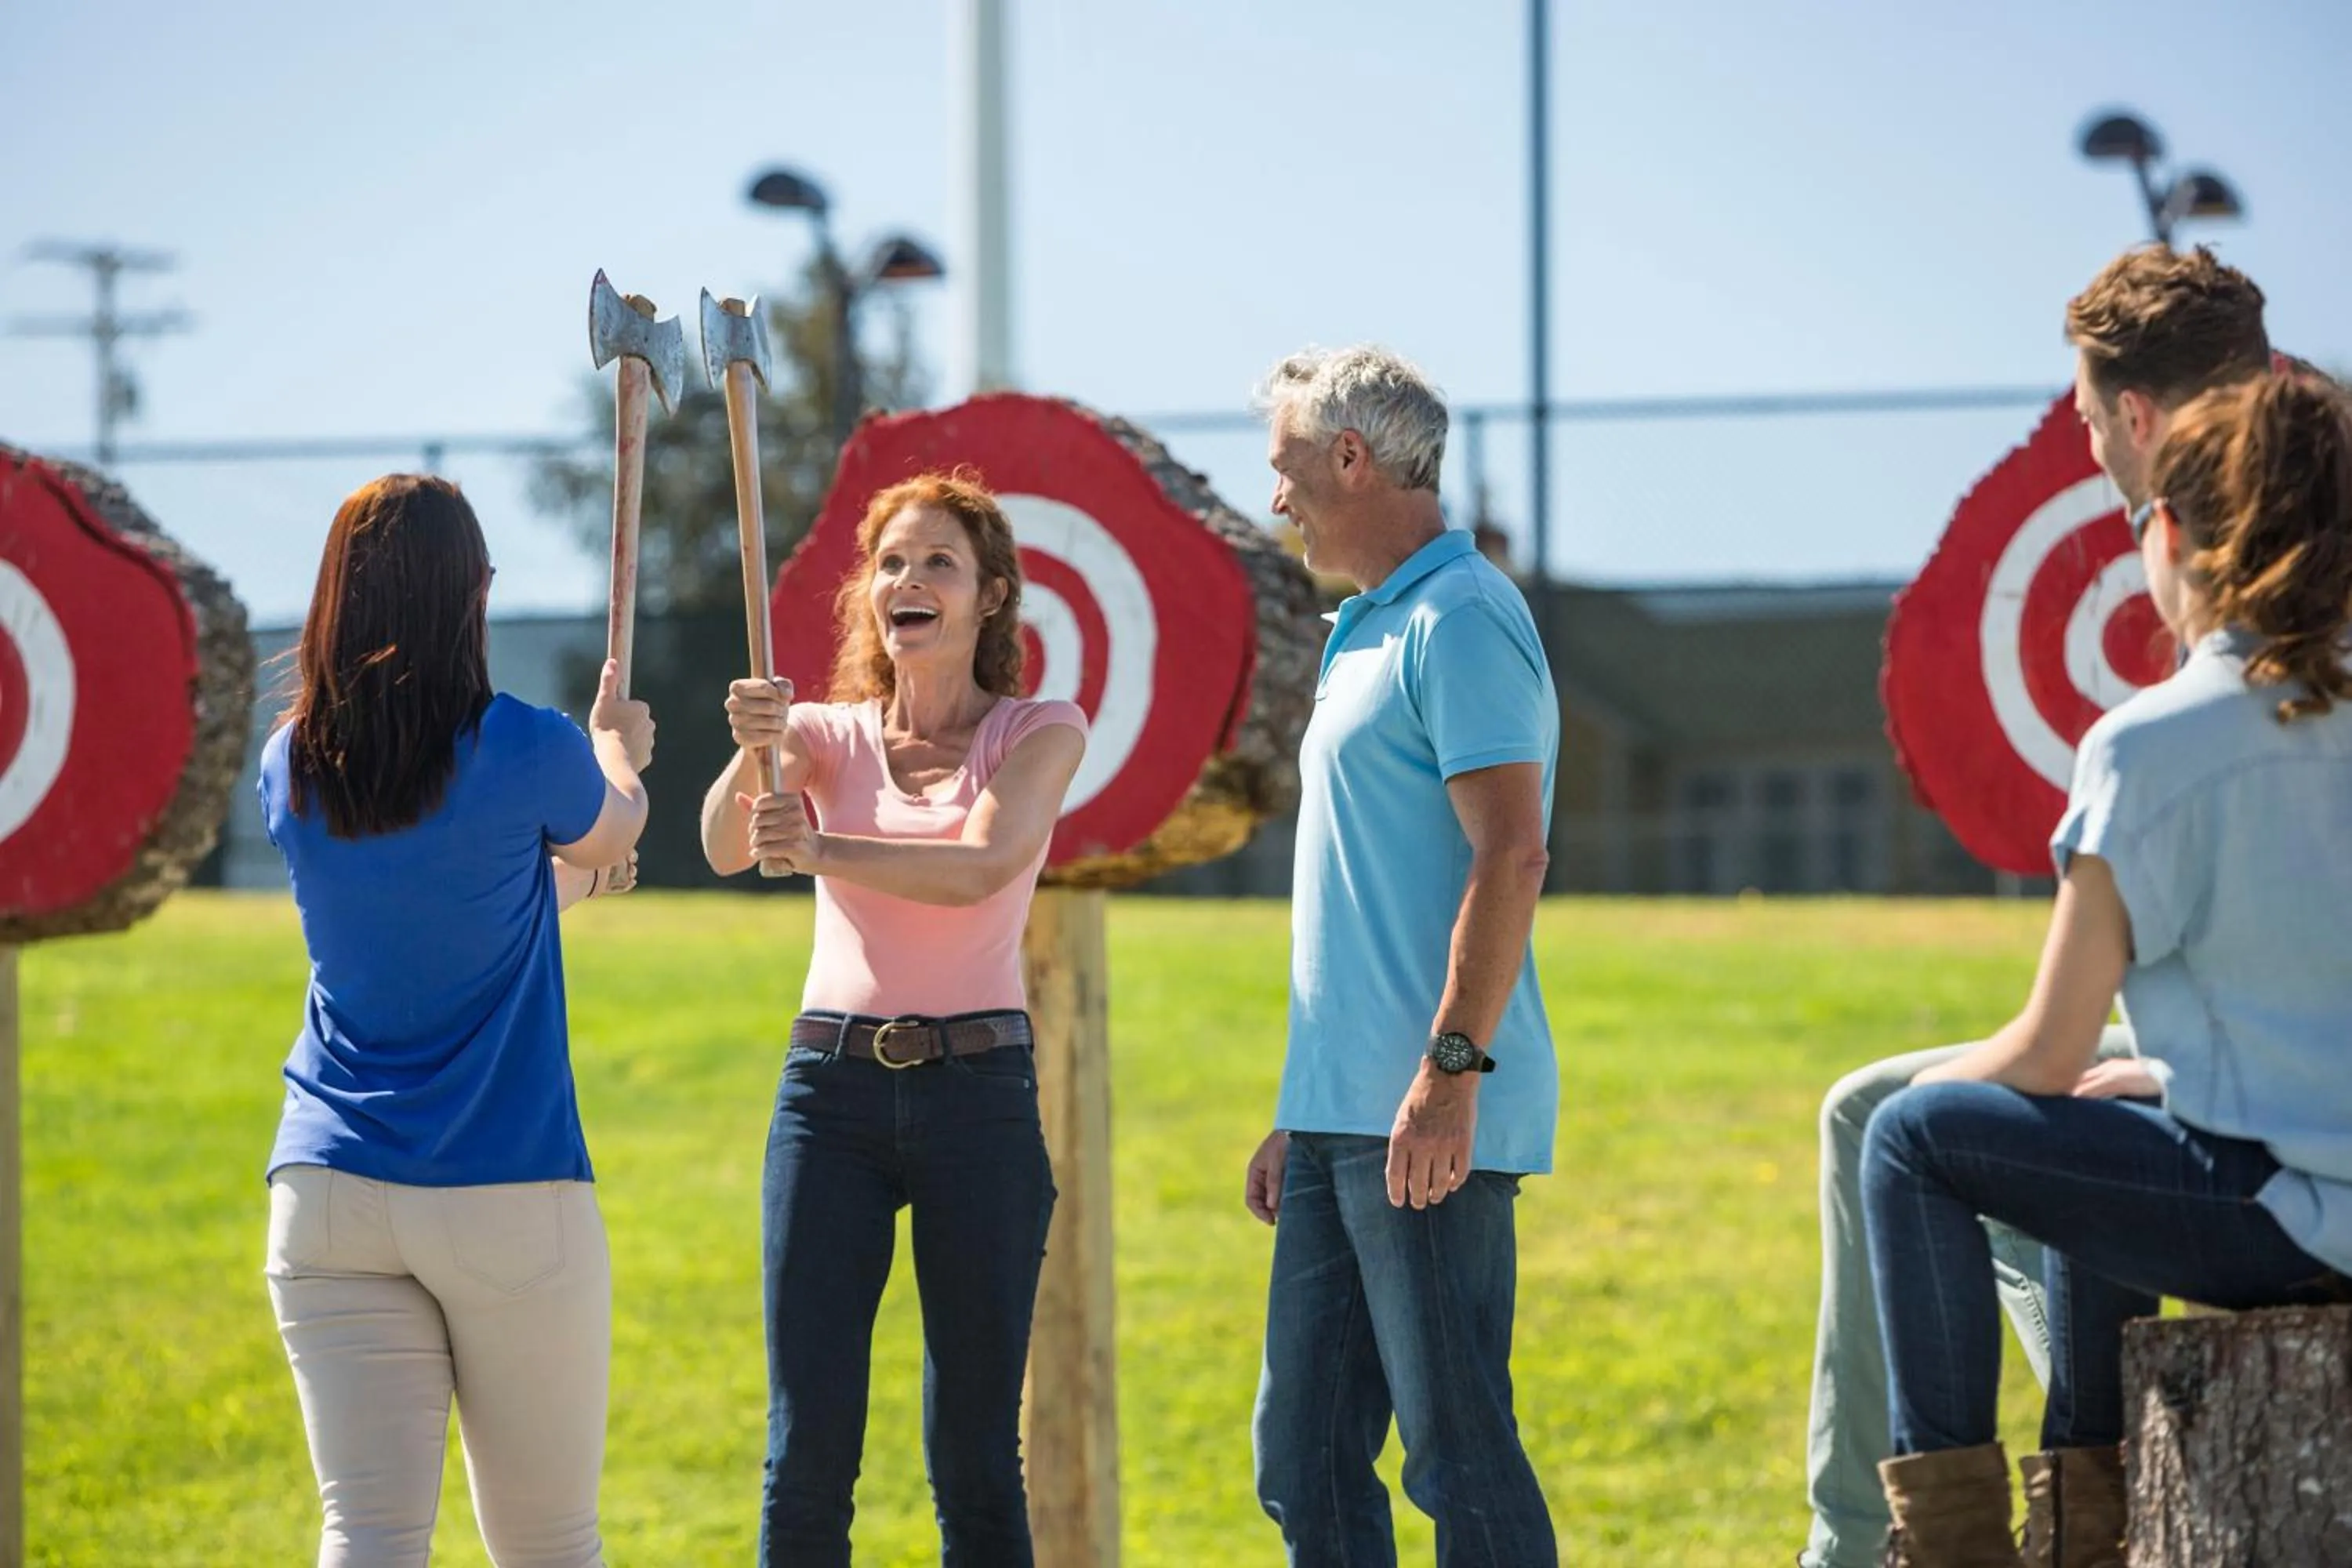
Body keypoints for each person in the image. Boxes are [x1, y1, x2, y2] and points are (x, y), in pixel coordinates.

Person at [1797, 245, 2274, 1568]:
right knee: (1953, 1118)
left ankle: (1938, 1539)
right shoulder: (2306, 516)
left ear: (2129, 419)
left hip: (2268, 1096)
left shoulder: (2234, 583)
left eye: (2082, 417)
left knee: (1911, 1128)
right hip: (2250, 1054)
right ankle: (2029, 1516)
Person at [1861, 370, 2352, 1566]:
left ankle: (1975, 1549)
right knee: (2096, 1117)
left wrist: (1932, 1092)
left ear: (2172, 535)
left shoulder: (2152, 743)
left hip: (2294, 1224)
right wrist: (2180, 1090)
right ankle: (2086, 1524)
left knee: (1915, 1140)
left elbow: (2046, 1047)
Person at [260, 474, 654, 1567]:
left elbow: (445, 899)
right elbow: (613, 830)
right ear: (470, 594)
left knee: (369, 1536)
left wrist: (559, 887)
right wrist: (617, 742)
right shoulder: (526, 744)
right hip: (505, 1190)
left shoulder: (287, 762)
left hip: (327, 1194)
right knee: (548, 1544)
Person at [698, 470, 1087, 1568]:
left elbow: (982, 868)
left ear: (990, 597)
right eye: (891, 563)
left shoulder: (1040, 730)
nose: (907, 580)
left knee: (973, 1456)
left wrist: (816, 847)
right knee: (805, 1451)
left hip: (981, 1100)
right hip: (830, 1100)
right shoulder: (821, 731)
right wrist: (754, 748)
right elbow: (727, 844)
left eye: (939, 564)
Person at [1243, 346, 1561, 1567]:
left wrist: (1449, 1072)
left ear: (1351, 458)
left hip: (1432, 1116)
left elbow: (1512, 858)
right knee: (1306, 1460)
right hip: (1341, 1122)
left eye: (1287, 470)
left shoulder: (1464, 617)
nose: (1279, 500)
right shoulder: (1365, 629)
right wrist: (1304, 1109)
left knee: (1459, 1456)